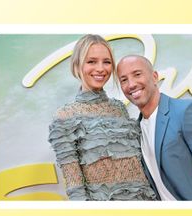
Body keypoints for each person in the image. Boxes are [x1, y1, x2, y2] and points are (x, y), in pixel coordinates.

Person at [48, 35, 156, 201]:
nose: (100, 68)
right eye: (91, 62)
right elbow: (74, 184)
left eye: (106, 62)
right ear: (77, 65)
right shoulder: (65, 117)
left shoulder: (119, 108)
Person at [116, 55, 192, 200]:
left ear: (154, 77)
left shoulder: (187, 112)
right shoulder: (136, 131)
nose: (131, 84)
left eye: (137, 74)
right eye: (124, 80)